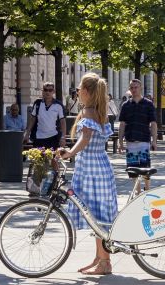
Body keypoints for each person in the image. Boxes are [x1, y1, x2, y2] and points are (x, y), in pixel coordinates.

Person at [58, 72, 118, 276]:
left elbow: (84, 139)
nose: (77, 93)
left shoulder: (88, 113)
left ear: (85, 91)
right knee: (98, 215)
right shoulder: (100, 112)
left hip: (90, 169)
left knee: (95, 216)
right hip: (101, 167)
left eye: (78, 89)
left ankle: (104, 262)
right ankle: (101, 258)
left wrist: (68, 154)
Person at [118, 79, 157, 191]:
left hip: (144, 141)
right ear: (129, 89)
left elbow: (153, 123)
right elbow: (122, 124)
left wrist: (154, 141)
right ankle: (137, 191)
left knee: (145, 168)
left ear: (141, 88)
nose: (134, 89)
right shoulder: (126, 105)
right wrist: (120, 142)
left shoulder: (148, 104)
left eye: (136, 87)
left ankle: (147, 189)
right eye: (132, 87)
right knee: (133, 169)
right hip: (130, 142)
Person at [26, 82, 66, 149]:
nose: (48, 92)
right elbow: (32, 119)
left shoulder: (58, 105)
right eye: (45, 90)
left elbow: (63, 122)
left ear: (53, 92)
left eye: (50, 90)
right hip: (38, 137)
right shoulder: (37, 103)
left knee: (52, 158)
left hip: (53, 138)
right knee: (37, 158)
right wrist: (27, 134)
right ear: (43, 91)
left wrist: (63, 137)